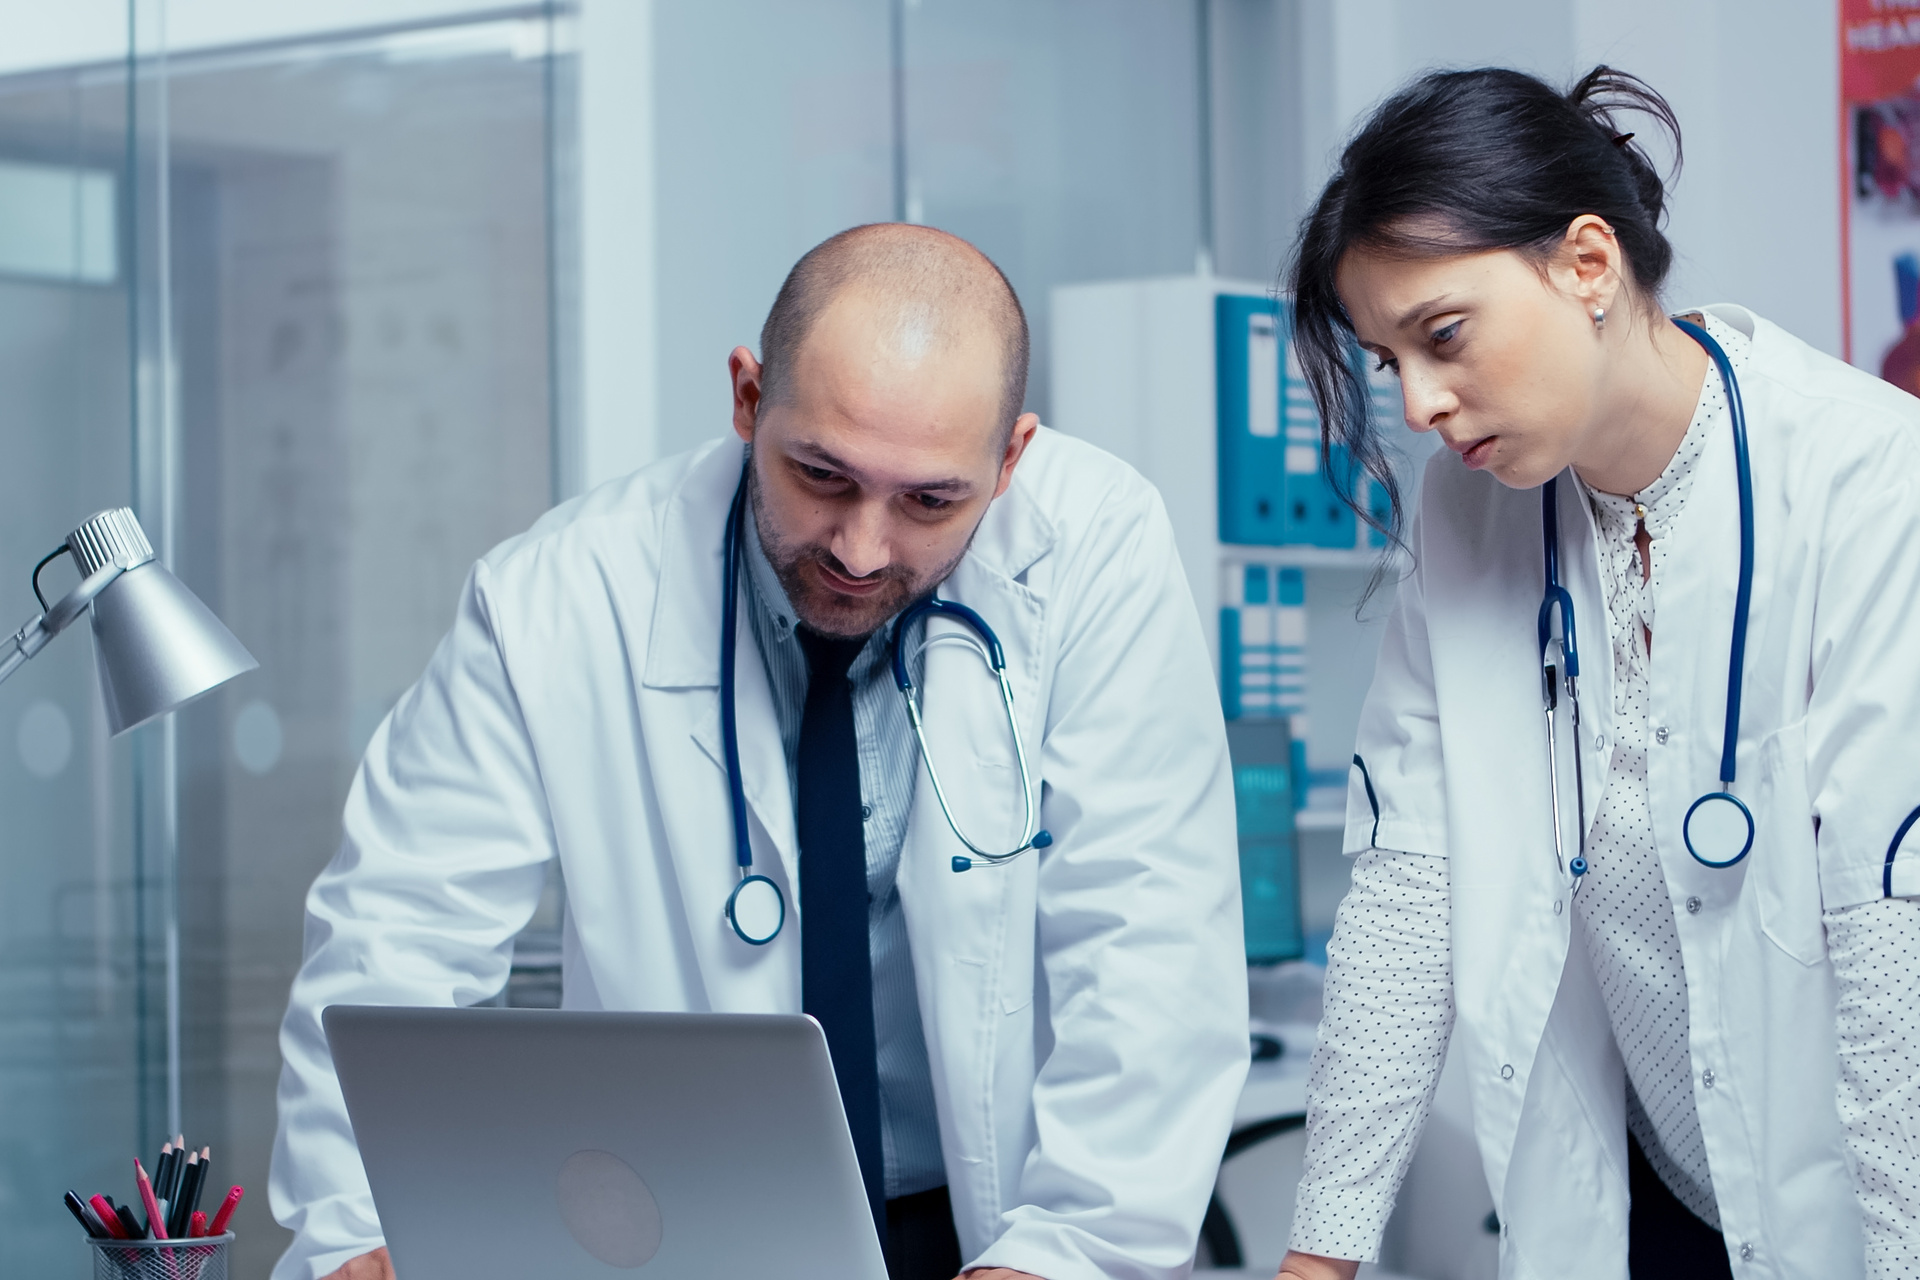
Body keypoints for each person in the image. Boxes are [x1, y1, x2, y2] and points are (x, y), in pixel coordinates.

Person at [269, 223, 1249, 1280]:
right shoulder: (555, 598)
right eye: (822, 474)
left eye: (930, 500)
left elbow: (1150, 951)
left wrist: (1068, 1254)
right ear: (747, 398)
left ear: (1011, 458)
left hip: (1005, 1226)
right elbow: (395, 942)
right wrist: (354, 1228)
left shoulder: (1093, 554)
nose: (861, 548)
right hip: (681, 1230)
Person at [1273, 67, 1920, 1280]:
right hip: (1655, 1195)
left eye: (1444, 335)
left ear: (1587, 263)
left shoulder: (1870, 481)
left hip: (1862, 1202)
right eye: (1387, 361)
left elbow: (1893, 935)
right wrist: (1320, 1253)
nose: (1418, 404)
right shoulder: (1471, 509)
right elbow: (1409, 880)